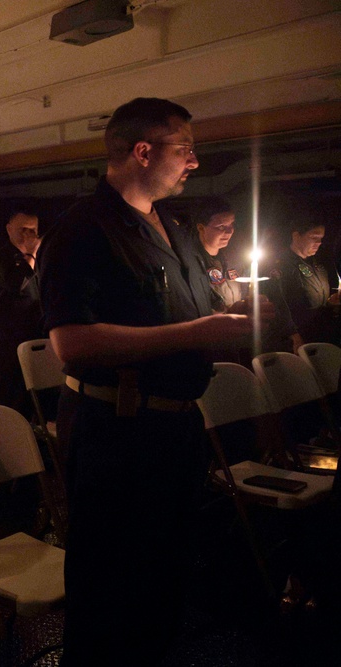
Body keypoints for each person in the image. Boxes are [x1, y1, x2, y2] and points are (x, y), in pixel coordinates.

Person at [38, 97, 267, 665]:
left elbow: (190, 308)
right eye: (184, 148)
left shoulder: (175, 228)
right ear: (143, 151)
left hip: (173, 426)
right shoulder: (82, 228)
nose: (193, 162)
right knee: (110, 593)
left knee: (164, 582)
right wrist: (199, 332)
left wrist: (231, 311)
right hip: (116, 429)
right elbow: (72, 342)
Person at [193, 197, 300, 354]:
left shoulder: (233, 258)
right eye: (221, 226)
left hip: (242, 341)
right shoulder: (192, 263)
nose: (229, 232)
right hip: (213, 343)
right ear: (201, 228)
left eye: (231, 225)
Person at [0, 208, 43, 415]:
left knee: (38, 406)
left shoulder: (40, 259)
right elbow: (16, 283)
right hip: (9, 344)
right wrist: (30, 255)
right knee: (12, 406)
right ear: (9, 230)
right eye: (23, 230)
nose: (29, 235)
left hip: (37, 337)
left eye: (33, 230)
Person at [271, 212, 338, 344]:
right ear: (296, 236)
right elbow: (278, 303)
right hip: (298, 336)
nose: (318, 243)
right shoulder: (282, 265)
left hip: (321, 332)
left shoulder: (318, 263)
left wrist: (330, 302)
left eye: (321, 238)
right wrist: (292, 333)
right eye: (314, 237)